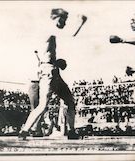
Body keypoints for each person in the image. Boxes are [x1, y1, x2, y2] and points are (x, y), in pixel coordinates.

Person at [19, 8, 85, 140]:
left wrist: (55, 62)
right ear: (56, 18)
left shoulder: (45, 31)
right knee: (43, 104)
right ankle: (25, 130)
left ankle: (71, 131)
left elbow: (42, 53)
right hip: (48, 71)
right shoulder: (49, 29)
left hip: (51, 70)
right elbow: (70, 34)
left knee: (69, 101)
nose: (65, 23)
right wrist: (80, 23)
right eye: (64, 20)